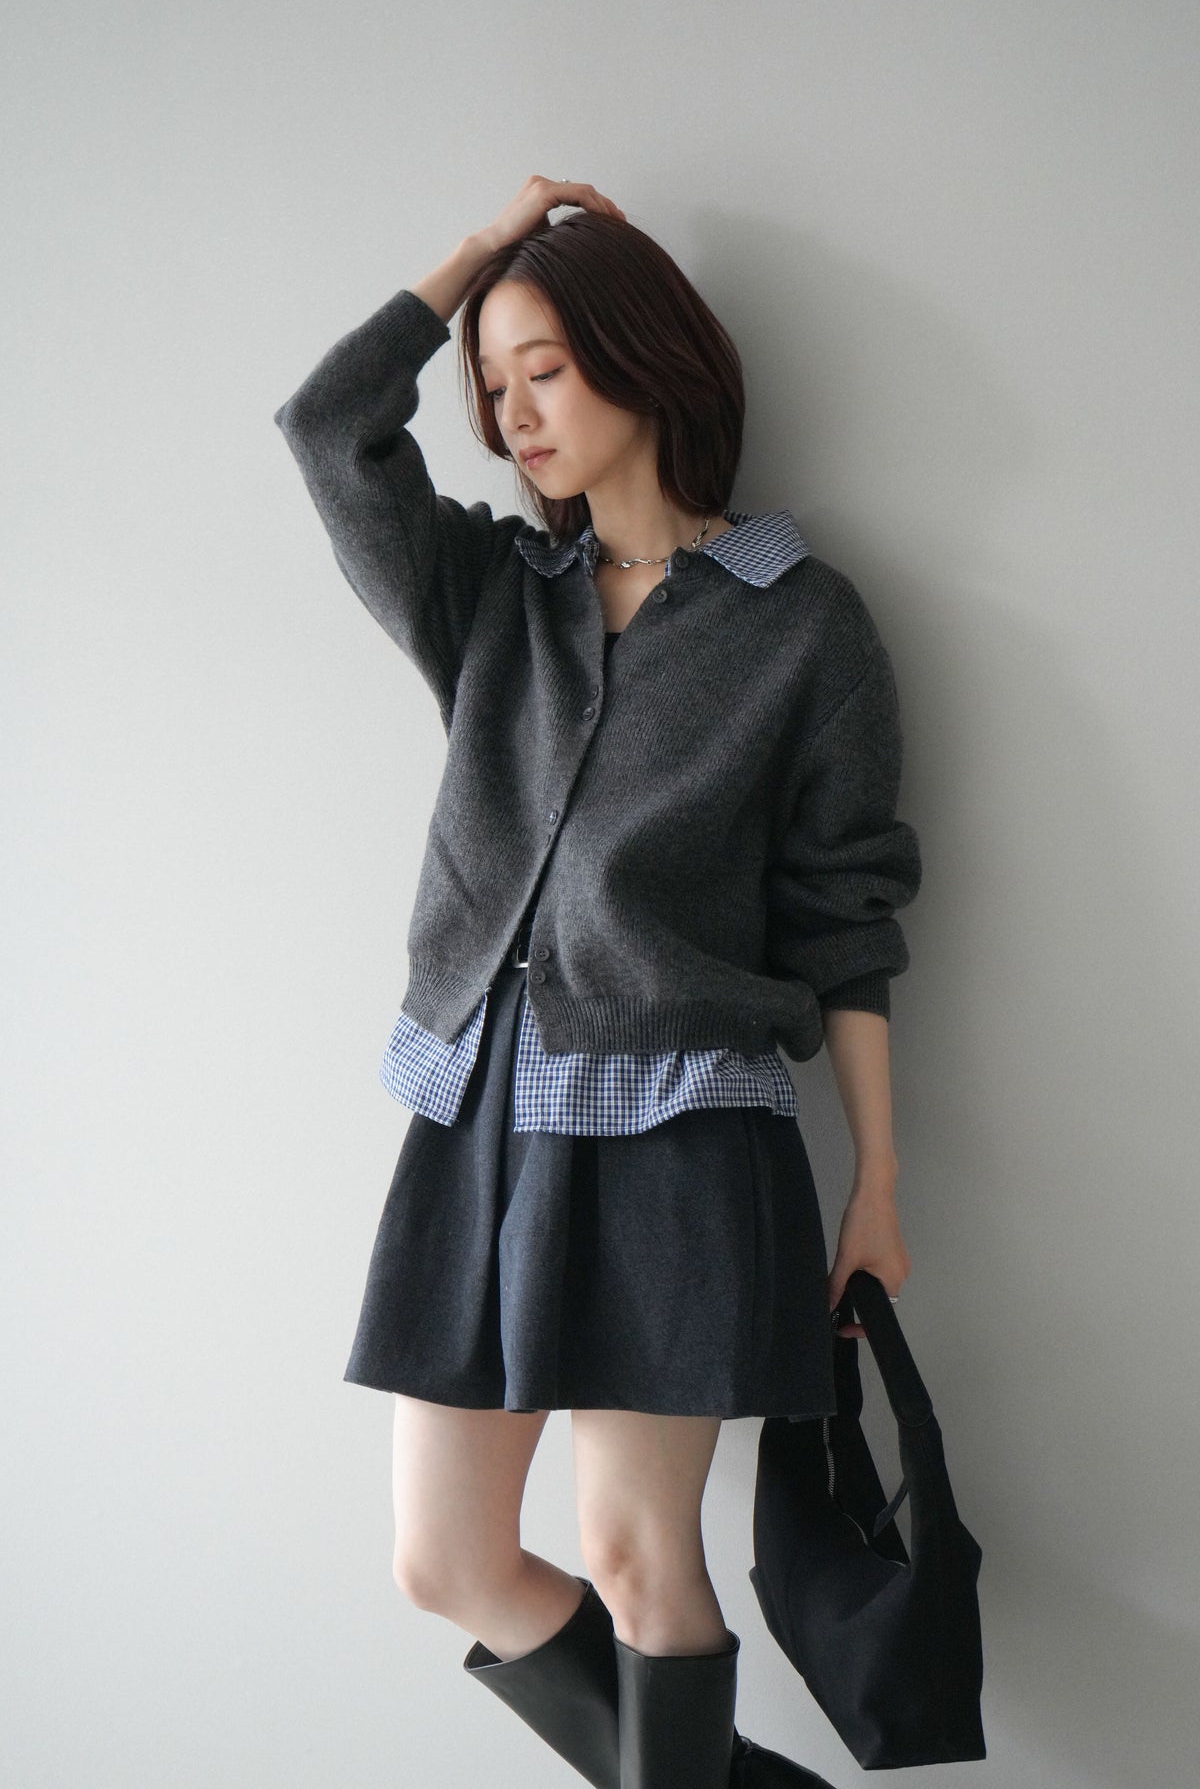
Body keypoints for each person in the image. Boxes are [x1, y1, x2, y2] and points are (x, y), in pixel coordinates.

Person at [272, 175, 921, 1788]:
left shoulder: (803, 627)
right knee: (444, 1561)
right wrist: (476, 261)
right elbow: (329, 427)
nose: (511, 415)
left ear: (646, 360)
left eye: (544, 370)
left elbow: (844, 920)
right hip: (480, 1118)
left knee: (636, 1560)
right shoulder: (488, 594)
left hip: (683, 1130)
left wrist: (875, 1184)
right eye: (492, 386)